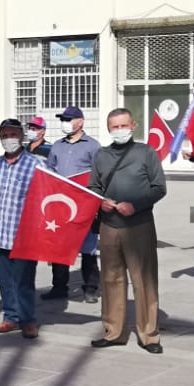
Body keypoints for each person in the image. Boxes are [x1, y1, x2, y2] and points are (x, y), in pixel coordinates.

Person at [90, 109, 168, 353]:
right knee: (111, 279)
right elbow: (93, 186)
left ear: (133, 125)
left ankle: (149, 335)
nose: (119, 130)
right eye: (114, 127)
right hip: (109, 226)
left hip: (139, 226)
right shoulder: (101, 155)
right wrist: (100, 201)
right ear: (108, 129)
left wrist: (136, 205)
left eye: (123, 125)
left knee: (144, 280)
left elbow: (159, 188)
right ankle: (113, 332)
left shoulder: (146, 153)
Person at [0, 118, 41, 338]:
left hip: (24, 233)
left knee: (24, 280)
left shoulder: (36, 164)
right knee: (5, 280)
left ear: (21, 136)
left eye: (12, 135)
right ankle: (10, 317)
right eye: (4, 136)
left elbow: (46, 196)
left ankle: (28, 319)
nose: (9, 139)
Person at [44, 106, 101, 302]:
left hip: (84, 205)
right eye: (63, 119)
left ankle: (91, 288)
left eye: (68, 119)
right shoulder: (57, 146)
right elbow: (50, 171)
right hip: (61, 205)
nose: (65, 123)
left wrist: (95, 202)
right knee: (59, 248)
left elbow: (99, 174)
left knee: (88, 248)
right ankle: (59, 287)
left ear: (81, 121)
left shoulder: (93, 146)